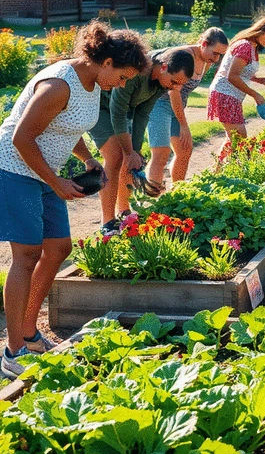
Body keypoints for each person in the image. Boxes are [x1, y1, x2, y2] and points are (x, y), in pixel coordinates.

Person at [0, 22, 148, 378]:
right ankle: (13, 350)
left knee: (59, 249)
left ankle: (31, 333)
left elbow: (67, 124)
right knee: (26, 255)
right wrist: (57, 182)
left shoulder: (91, 80)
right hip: (13, 168)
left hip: (45, 171)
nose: (124, 84)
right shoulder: (58, 84)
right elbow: (22, 137)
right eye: (124, 76)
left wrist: (85, 158)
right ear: (107, 61)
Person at [91, 46, 195, 231]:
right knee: (116, 156)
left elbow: (142, 114)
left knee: (129, 161)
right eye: (175, 81)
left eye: (181, 84)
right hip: (101, 106)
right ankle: (107, 222)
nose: (176, 88)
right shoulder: (137, 72)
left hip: (123, 112)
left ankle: (124, 211)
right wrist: (129, 151)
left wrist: (135, 151)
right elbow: (117, 113)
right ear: (164, 67)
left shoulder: (160, 83)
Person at [145, 28, 229, 189]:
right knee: (161, 154)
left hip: (176, 107)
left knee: (184, 149)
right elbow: (173, 92)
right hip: (159, 103)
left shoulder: (205, 60)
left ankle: (178, 192)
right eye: (215, 53)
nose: (217, 59)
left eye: (220, 55)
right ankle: (151, 196)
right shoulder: (185, 56)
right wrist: (183, 125)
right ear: (204, 44)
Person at [208, 17, 265, 146]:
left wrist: (256, 79)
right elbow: (232, 76)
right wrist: (256, 95)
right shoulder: (245, 46)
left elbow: (240, 71)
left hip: (230, 96)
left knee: (232, 141)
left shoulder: (251, 46)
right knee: (240, 140)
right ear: (263, 32)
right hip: (225, 95)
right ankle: (234, 166)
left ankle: (219, 167)